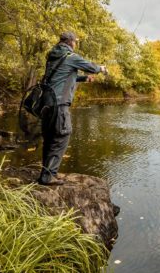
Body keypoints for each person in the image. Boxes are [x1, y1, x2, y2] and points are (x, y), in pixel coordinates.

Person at [37, 31, 107, 185]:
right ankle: (48, 176)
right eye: (75, 41)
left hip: (46, 103)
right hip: (59, 104)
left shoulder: (54, 56)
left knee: (49, 138)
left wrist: (83, 78)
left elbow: (61, 76)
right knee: (62, 135)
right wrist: (101, 68)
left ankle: (46, 173)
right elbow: (91, 67)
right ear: (70, 42)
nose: (75, 44)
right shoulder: (70, 57)